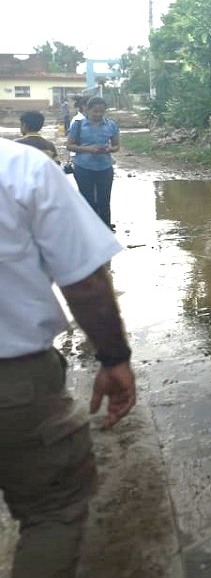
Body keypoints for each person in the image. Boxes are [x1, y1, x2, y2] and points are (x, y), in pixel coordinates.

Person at [0, 137, 137, 577]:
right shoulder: (21, 167)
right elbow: (84, 281)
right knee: (51, 514)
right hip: (15, 384)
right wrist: (114, 359)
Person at [66, 96, 120, 229]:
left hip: (105, 167)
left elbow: (116, 146)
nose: (98, 114)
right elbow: (69, 145)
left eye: (102, 112)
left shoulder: (111, 125)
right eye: (95, 111)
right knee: (87, 199)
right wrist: (87, 149)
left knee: (104, 199)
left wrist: (108, 149)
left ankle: (106, 226)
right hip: (83, 167)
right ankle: (89, 228)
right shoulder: (78, 125)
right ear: (87, 110)